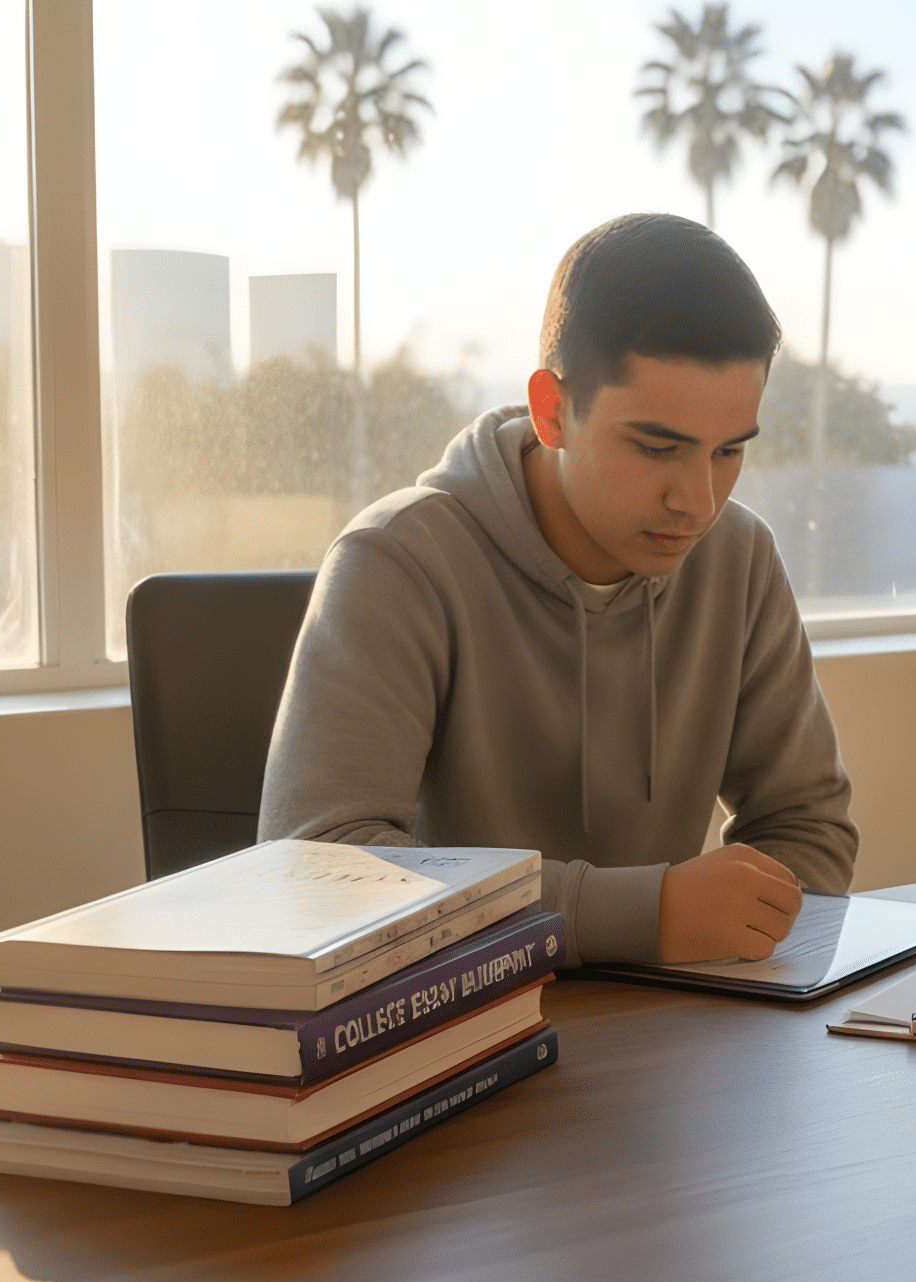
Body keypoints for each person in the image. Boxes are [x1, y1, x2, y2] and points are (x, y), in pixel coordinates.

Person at [259, 214, 855, 967]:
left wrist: (741, 926)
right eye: (657, 447)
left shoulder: (739, 558)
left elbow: (810, 824)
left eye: (729, 451)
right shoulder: (397, 563)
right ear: (551, 410)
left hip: (669, 1032)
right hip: (446, 1040)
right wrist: (635, 916)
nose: (698, 502)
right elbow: (315, 868)